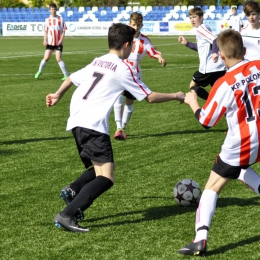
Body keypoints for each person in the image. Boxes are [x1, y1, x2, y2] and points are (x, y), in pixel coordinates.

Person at [46, 23, 185, 233]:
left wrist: (57, 94)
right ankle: (68, 214)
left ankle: (73, 190)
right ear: (127, 45)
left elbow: (71, 78)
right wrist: (176, 96)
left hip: (76, 120)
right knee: (107, 176)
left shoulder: (98, 60)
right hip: (92, 124)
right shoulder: (124, 68)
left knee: (100, 168)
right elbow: (149, 97)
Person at [178, 29, 260, 256]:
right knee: (241, 167)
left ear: (221, 57)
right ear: (244, 50)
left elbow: (206, 121)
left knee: (212, 186)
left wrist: (192, 101)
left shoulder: (224, 84)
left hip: (243, 142)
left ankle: (200, 239)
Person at [113, 12, 167, 140]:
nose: (135, 28)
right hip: (120, 73)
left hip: (134, 76)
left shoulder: (144, 40)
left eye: (138, 25)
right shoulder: (123, 37)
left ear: (142, 25)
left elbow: (153, 51)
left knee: (129, 101)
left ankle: (123, 127)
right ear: (129, 24)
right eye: (133, 25)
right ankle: (118, 127)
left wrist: (159, 57)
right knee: (118, 98)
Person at [178, 7, 226, 101]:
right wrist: (187, 43)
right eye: (190, 17)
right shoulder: (205, 27)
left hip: (208, 68)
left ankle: (211, 102)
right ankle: (224, 109)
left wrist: (214, 53)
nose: (192, 20)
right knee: (219, 92)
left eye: (194, 17)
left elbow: (215, 39)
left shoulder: (200, 29)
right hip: (218, 67)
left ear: (201, 17)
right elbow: (202, 48)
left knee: (193, 85)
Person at [35, 3, 69, 80]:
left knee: (58, 59)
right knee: (46, 58)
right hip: (50, 42)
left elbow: (64, 30)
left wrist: (61, 39)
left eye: (54, 9)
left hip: (58, 43)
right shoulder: (47, 20)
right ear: (49, 10)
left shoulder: (60, 19)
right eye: (52, 9)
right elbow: (45, 31)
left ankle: (66, 74)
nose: (53, 11)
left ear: (56, 9)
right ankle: (39, 71)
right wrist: (44, 40)